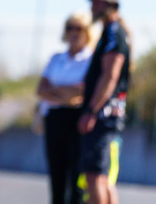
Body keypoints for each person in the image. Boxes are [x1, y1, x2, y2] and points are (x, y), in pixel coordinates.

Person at [77, 0, 132, 204]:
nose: (92, 6)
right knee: (102, 179)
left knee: (95, 178)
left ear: (109, 5)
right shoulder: (112, 32)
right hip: (105, 116)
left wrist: (91, 110)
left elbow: (110, 76)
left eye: (97, 2)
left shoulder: (114, 33)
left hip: (103, 117)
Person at [37, 12, 94, 204]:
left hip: (77, 119)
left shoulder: (90, 60)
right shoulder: (56, 59)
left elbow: (82, 91)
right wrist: (65, 94)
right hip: (54, 118)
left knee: (76, 172)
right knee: (56, 171)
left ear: (87, 32)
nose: (74, 33)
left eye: (79, 29)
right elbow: (42, 89)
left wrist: (58, 91)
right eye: (70, 28)